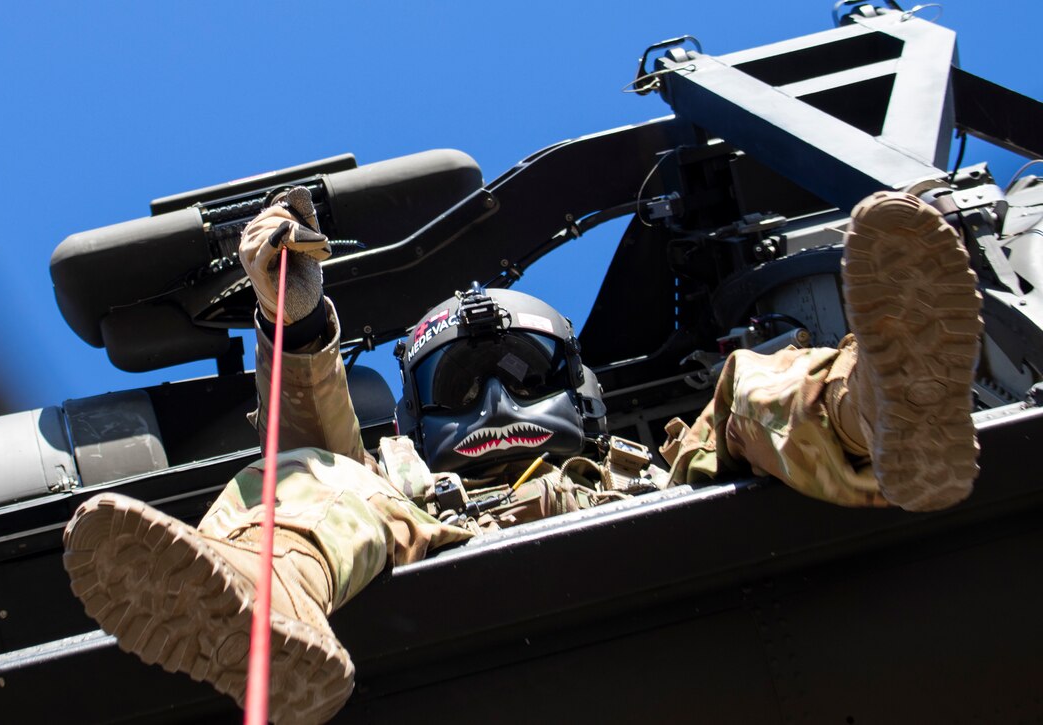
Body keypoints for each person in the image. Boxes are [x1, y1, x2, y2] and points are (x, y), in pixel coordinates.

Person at [61, 188, 982, 723]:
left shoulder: (666, 457)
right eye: (463, 387)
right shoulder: (404, 495)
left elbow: (735, 417)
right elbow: (311, 463)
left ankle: (881, 410)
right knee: (309, 477)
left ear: (580, 388)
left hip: (654, 512)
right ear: (419, 419)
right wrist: (297, 324)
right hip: (450, 549)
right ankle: (266, 606)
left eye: (521, 371)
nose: (497, 402)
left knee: (748, 383)